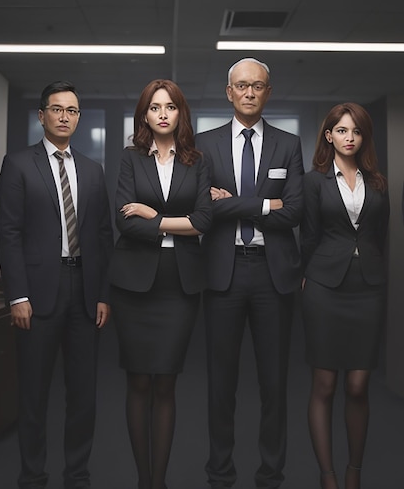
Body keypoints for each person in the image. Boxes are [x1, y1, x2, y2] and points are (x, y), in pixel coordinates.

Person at [0, 80, 114, 489]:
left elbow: (102, 235)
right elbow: (8, 233)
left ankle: (77, 475)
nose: (65, 116)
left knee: (83, 396)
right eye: (57, 109)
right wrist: (18, 295)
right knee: (33, 394)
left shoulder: (93, 170)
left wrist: (102, 294)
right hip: (37, 294)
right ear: (42, 115)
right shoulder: (18, 164)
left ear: (78, 118)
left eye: (73, 111)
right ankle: (32, 476)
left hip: (84, 291)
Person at [195, 58, 304, 489]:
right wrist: (265, 204)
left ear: (268, 92)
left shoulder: (288, 144)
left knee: (274, 384)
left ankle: (270, 473)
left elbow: (294, 211)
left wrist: (234, 203)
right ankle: (220, 473)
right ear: (228, 92)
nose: (249, 93)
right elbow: (204, 209)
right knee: (221, 383)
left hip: (273, 275)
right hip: (222, 273)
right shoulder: (204, 145)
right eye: (241, 85)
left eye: (257, 86)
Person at [109, 79, 212, 489]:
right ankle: (142, 480)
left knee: (166, 382)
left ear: (180, 113)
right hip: (135, 284)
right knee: (137, 381)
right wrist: (174, 224)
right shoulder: (130, 158)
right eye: (155, 107)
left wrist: (153, 216)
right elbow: (123, 222)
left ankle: (159, 481)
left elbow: (204, 220)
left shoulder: (197, 161)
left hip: (179, 284)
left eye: (170, 106)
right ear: (145, 115)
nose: (163, 113)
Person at [300, 103, 390, 489]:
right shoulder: (313, 181)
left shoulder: (378, 182)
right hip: (323, 288)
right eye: (341, 131)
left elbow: (379, 236)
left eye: (355, 132)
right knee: (325, 385)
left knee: (358, 385)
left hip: (367, 288)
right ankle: (329, 475)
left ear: (362, 137)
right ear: (329, 136)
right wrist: (307, 275)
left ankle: (354, 471)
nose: (349, 138)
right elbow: (308, 234)